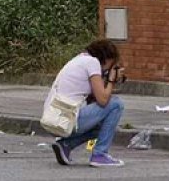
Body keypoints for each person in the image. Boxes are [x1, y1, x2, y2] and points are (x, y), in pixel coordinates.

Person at [44, 39, 125, 167]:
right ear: (106, 58)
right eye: (112, 63)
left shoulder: (80, 60)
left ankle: (66, 145)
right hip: (67, 118)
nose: (111, 67)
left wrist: (107, 79)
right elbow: (103, 101)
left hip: (55, 118)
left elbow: (94, 99)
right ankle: (100, 154)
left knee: (105, 123)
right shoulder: (92, 63)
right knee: (116, 104)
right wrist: (111, 80)